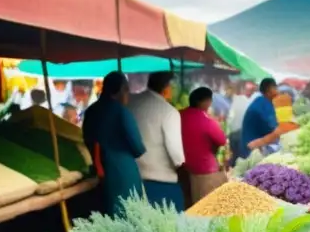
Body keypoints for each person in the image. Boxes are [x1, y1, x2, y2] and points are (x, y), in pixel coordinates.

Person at [81, 72, 146, 215]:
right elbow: (138, 148)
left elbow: (86, 138)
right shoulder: (122, 112)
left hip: (98, 172)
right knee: (129, 217)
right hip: (123, 172)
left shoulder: (91, 111)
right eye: (127, 90)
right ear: (120, 90)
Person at [128, 71, 187, 210]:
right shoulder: (169, 112)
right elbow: (177, 156)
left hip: (133, 181)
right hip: (162, 184)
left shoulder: (131, 103)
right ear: (167, 88)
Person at [181, 87, 229, 205]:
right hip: (206, 170)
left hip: (184, 169)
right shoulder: (206, 121)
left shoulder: (179, 115)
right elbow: (222, 140)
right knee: (208, 208)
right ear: (204, 102)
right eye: (209, 100)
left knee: (190, 208)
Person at [241, 78, 282, 155]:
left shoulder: (262, 101)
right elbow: (275, 130)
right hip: (253, 151)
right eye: (275, 88)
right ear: (269, 90)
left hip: (253, 146)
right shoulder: (264, 105)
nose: (278, 91)